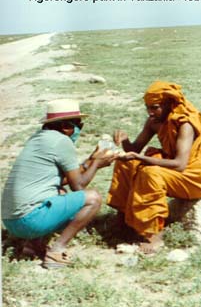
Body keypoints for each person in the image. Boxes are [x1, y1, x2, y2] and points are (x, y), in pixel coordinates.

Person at [107, 81, 201, 253]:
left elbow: (179, 164)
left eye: (155, 107)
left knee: (150, 173)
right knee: (126, 163)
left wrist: (140, 157)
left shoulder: (185, 124)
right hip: (176, 168)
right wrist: (125, 140)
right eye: (147, 108)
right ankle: (125, 219)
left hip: (195, 177)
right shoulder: (154, 121)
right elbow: (134, 150)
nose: (150, 112)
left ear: (169, 104)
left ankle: (153, 237)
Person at [2, 99, 116, 268]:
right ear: (65, 126)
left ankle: (32, 245)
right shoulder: (62, 141)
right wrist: (97, 164)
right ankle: (56, 251)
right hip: (28, 221)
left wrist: (91, 160)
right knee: (93, 198)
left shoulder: (40, 138)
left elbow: (61, 179)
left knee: (59, 192)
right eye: (78, 125)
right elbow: (78, 186)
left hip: (11, 221)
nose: (79, 130)